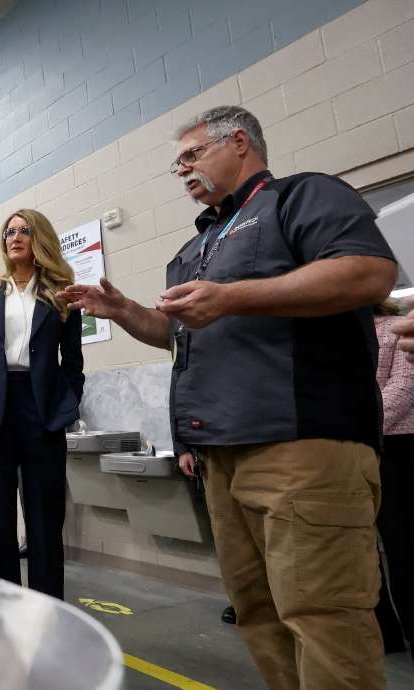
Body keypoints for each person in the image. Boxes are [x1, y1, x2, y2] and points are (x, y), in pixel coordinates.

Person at [59, 105, 396, 689]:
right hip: (220, 456)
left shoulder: (302, 197)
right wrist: (124, 311)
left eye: (192, 155)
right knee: (258, 614)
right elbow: (178, 335)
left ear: (239, 142)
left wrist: (234, 296)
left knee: (322, 615)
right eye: (178, 163)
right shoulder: (196, 247)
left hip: (301, 443)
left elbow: (369, 273)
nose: (183, 169)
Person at [0, 208, 84, 599]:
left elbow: (74, 362)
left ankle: (48, 609)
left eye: (24, 230)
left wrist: (67, 403)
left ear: (38, 238)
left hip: (42, 411)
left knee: (45, 518)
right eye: (9, 231)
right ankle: (3, 607)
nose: (15, 237)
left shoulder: (61, 294)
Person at [374, 299, 414, 659]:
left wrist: (358, 428)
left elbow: (402, 389)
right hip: (350, 450)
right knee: (360, 553)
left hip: (397, 447)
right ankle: (383, 631)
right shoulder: (335, 337)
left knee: (402, 547)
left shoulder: (395, 327)